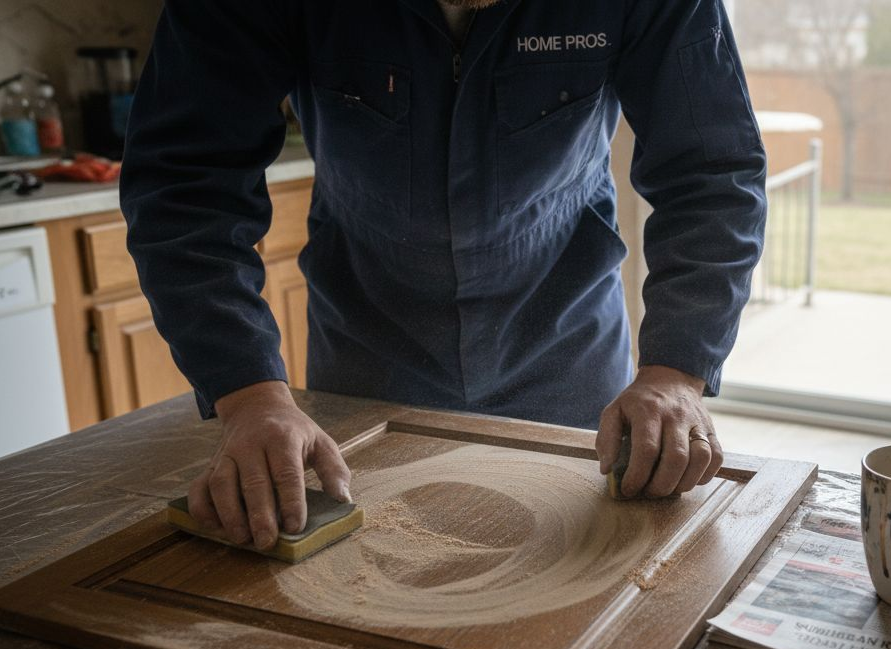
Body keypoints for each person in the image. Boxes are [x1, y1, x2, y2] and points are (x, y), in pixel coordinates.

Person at [120, 0, 766, 551]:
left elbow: (712, 174)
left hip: (566, 356)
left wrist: (675, 372)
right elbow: (185, 186)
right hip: (367, 365)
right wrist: (248, 394)